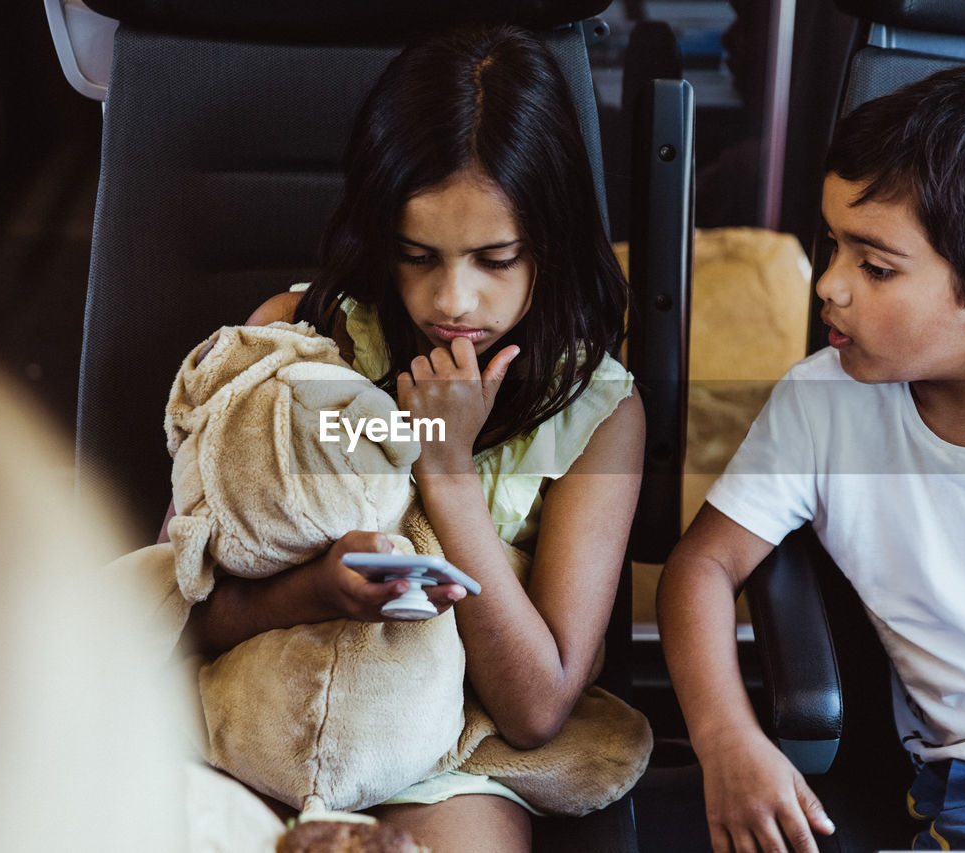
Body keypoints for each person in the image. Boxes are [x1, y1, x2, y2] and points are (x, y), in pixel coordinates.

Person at [176, 25, 644, 853]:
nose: (451, 298)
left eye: (496, 259)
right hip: (258, 721)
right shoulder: (298, 343)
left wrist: (449, 474)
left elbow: (537, 709)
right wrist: (314, 590)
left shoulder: (596, 412)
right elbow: (186, 612)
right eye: (416, 255)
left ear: (552, 242)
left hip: (455, 755)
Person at [658, 66, 965, 853]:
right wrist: (728, 740)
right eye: (832, 245)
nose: (828, 285)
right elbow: (699, 568)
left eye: (874, 267)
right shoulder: (822, 403)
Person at [0, 298, 289, 852]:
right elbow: (169, 591)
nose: (435, 300)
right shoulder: (279, 342)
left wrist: (434, 461)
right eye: (415, 258)